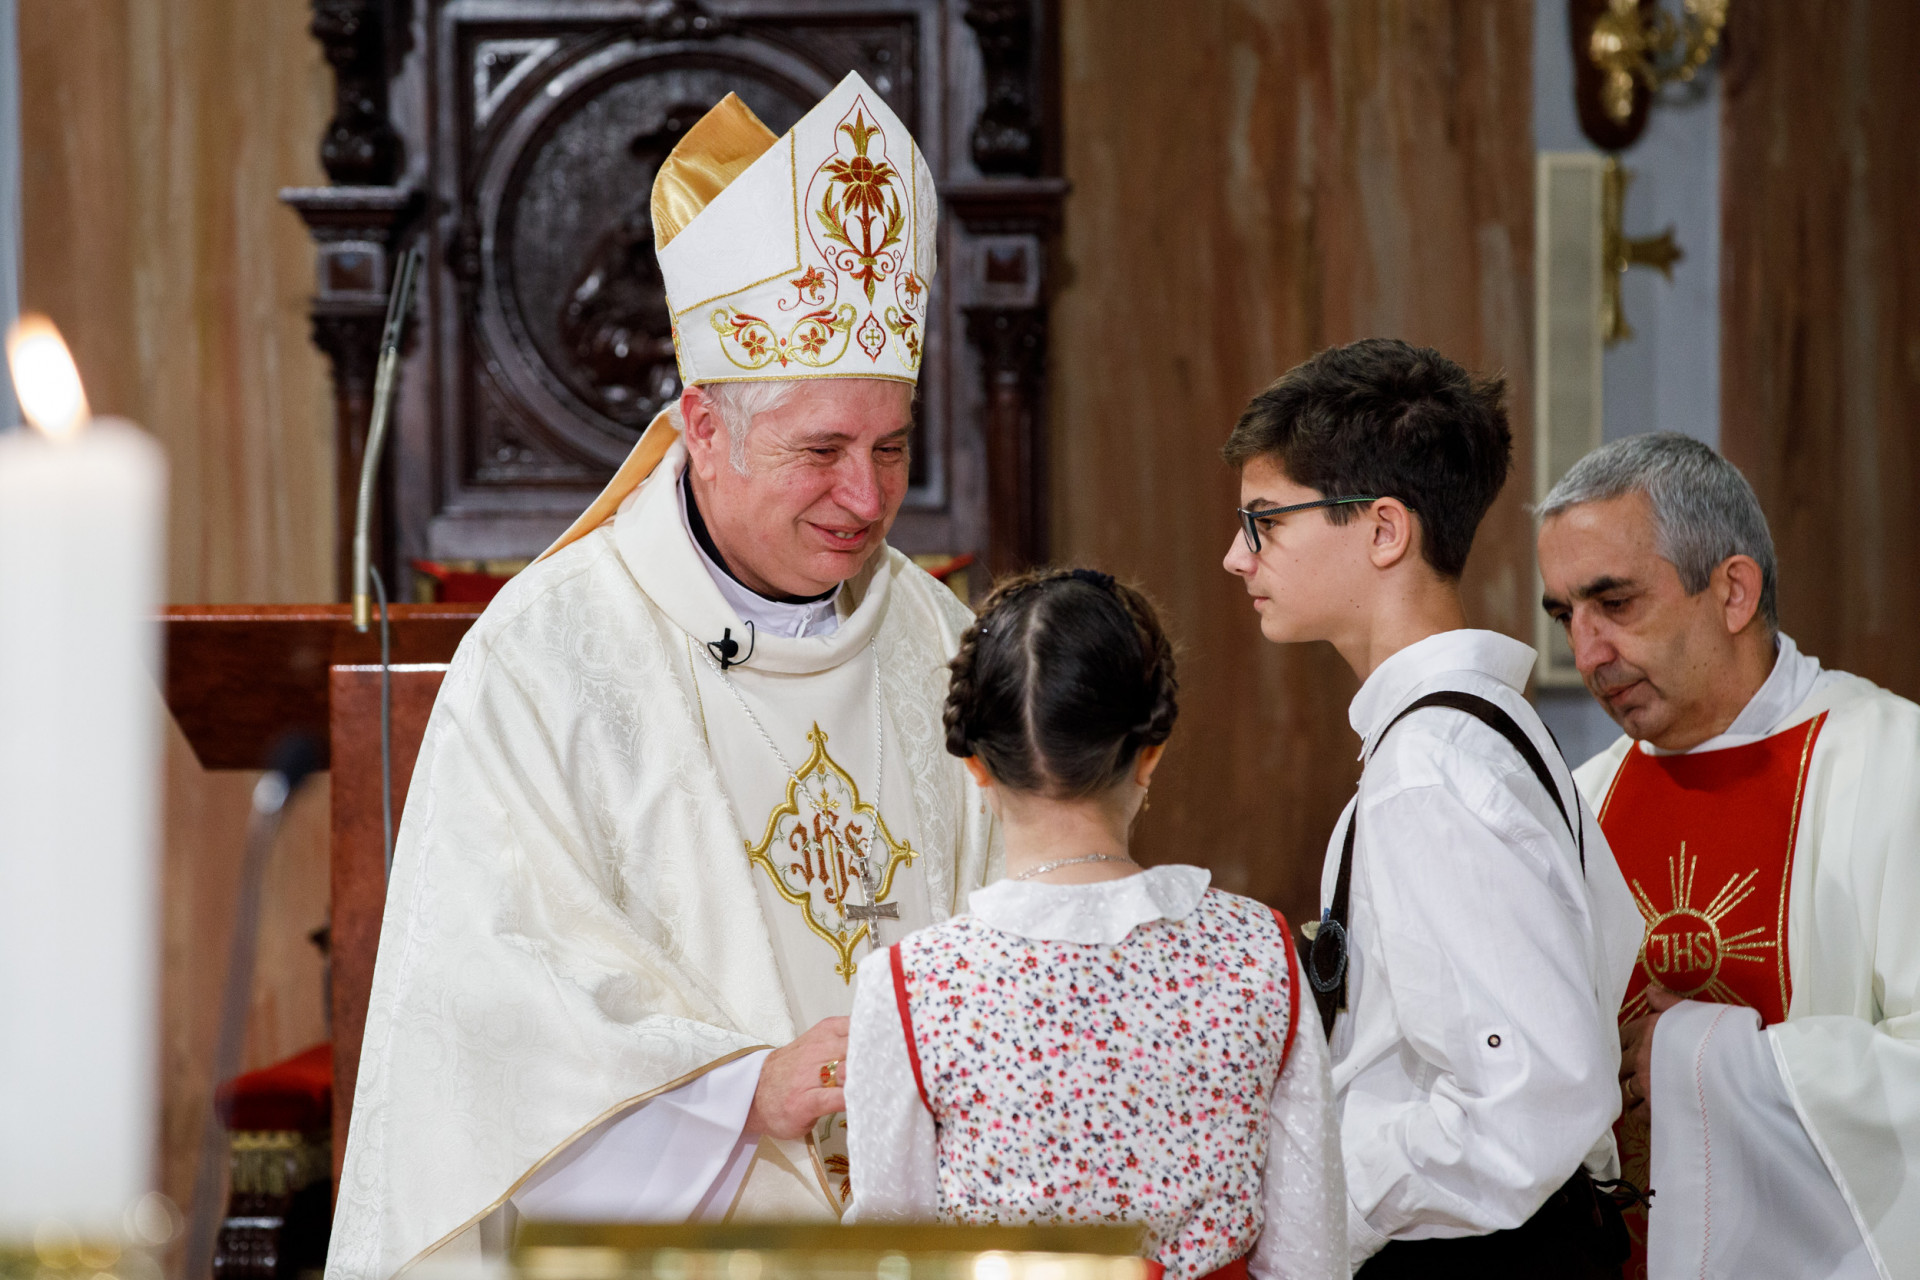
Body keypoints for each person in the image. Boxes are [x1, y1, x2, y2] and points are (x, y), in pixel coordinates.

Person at [328, 75, 996, 1280]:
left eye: (891, 448)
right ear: (702, 427)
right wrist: (741, 1091)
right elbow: (484, 1016)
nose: (866, 498)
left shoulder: (940, 640)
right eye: (822, 452)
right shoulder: (547, 658)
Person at [1220, 339, 1643, 1276]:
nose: (1234, 557)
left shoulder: (1428, 770)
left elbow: (1532, 1099)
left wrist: (1317, 1189)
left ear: (1382, 531)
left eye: (1264, 523)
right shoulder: (1486, 730)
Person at [842, 569, 1348, 1279]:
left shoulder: (912, 986)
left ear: (977, 765)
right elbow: (1311, 1257)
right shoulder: (1256, 951)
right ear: (1150, 753)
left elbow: (892, 1260)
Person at [1537, 432, 1920, 1280]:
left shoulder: (1894, 764)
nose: (1587, 653)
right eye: (1566, 614)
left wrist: (1700, 1057)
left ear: (1734, 591)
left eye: (1615, 603)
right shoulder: (1579, 803)